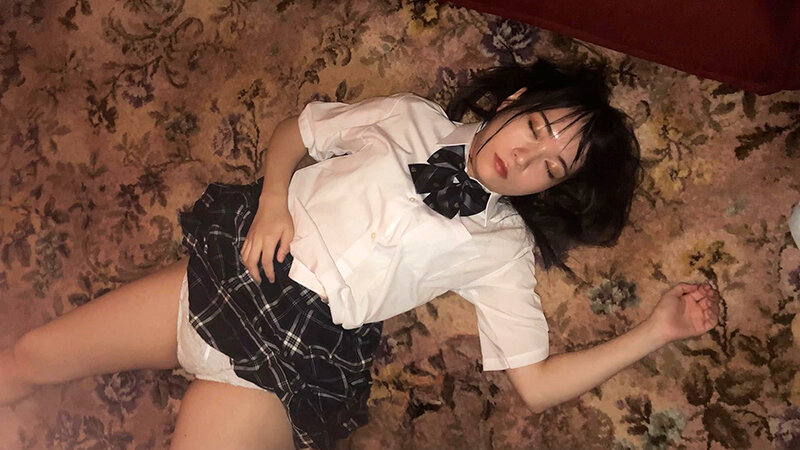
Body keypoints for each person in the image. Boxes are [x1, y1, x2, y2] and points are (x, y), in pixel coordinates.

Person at [0, 60, 721, 449]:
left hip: (286, 360)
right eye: (535, 129)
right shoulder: (408, 116)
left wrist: (656, 330)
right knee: (26, 356)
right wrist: (274, 199)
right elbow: (297, 132)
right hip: (228, 275)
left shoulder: (502, 247)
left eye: (551, 168)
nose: (526, 158)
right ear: (517, 100)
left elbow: (535, 385)